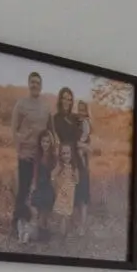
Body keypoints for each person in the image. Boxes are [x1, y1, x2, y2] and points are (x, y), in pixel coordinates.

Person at [9, 71, 51, 242]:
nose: (35, 85)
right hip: (25, 155)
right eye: (32, 82)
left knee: (40, 192)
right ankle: (17, 224)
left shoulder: (45, 107)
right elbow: (14, 129)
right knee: (24, 190)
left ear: (41, 86)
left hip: (40, 157)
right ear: (28, 84)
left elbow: (49, 131)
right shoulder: (21, 104)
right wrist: (19, 150)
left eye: (37, 82)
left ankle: (39, 228)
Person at [49, 88, 89, 233]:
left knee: (82, 189)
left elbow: (84, 135)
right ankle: (66, 224)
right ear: (60, 99)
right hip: (65, 156)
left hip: (78, 157)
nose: (67, 101)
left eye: (70, 99)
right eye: (65, 98)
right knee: (65, 190)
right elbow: (55, 140)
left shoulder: (75, 118)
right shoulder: (56, 118)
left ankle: (82, 226)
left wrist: (83, 148)